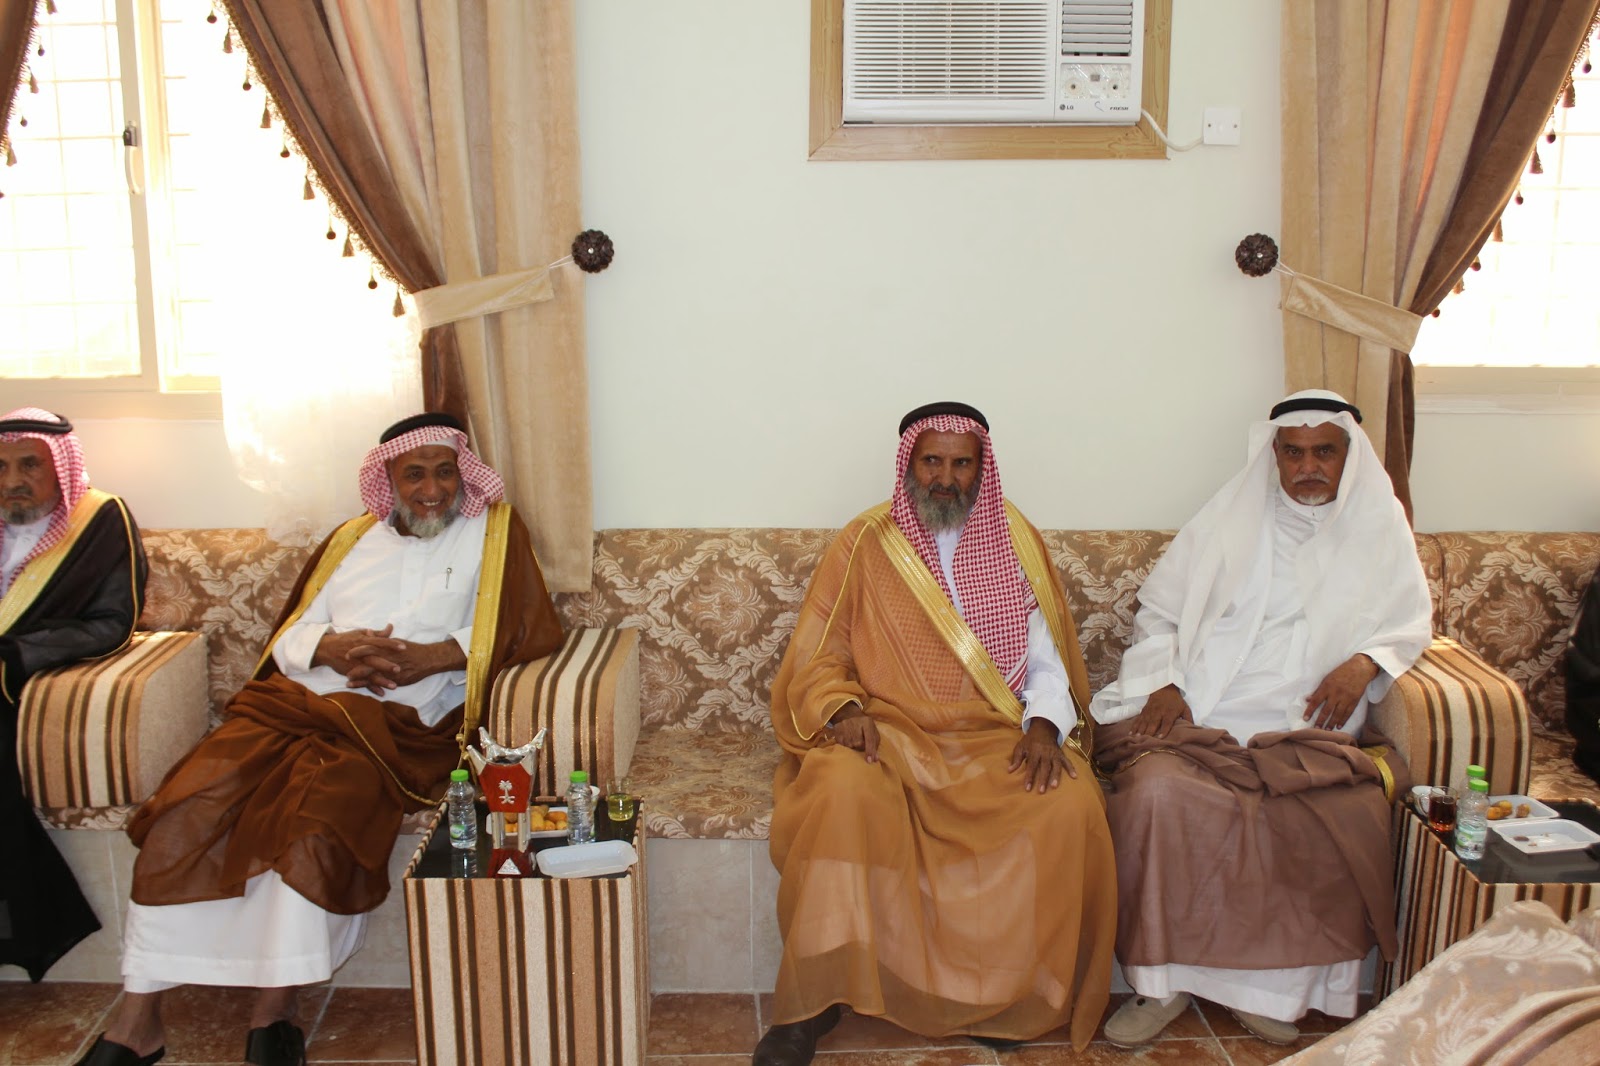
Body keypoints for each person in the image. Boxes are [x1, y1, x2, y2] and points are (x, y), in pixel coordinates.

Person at [78, 413, 564, 1066]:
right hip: (294, 707)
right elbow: (292, 636)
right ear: (387, 480)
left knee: (312, 827)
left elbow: (524, 629)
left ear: (463, 474)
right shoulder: (351, 540)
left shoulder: (493, 535)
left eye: (445, 472)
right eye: (414, 474)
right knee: (186, 808)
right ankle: (138, 1020)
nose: (432, 490)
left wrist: (437, 657)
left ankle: (274, 1013)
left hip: (397, 728)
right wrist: (332, 647)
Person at [755, 402, 1117, 1065]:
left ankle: (1004, 997)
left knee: (1068, 802)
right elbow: (821, 656)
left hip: (990, 734)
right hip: (887, 734)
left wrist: (1043, 727)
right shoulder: (865, 542)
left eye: (960, 463)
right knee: (839, 792)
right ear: (909, 464)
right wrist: (843, 711)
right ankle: (813, 1002)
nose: (945, 478)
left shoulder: (1015, 540)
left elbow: (1046, 661)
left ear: (982, 467)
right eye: (931, 461)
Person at [1090, 389, 1431, 1047]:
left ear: (1348, 454)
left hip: (1307, 720)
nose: (1308, 467)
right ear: (1274, 454)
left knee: (1334, 809)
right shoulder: (1231, 517)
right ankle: (1162, 984)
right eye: (1293, 453)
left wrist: (1366, 663)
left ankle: (1269, 992)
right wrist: (1165, 682)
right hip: (1208, 705)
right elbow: (1160, 612)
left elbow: (1409, 623)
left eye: (1323, 452)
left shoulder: (1379, 525)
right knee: (1156, 793)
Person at [1, 408, 147, 982]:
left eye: (29, 465)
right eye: (1, 467)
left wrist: (17, 653)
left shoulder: (99, 519)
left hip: (23, 679)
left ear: (59, 468)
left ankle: (34, 926)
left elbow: (114, 621)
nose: (13, 480)